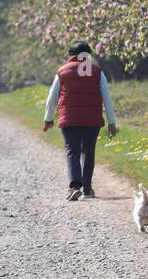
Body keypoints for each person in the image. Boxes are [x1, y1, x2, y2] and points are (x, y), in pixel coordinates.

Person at [42, 41, 118, 201]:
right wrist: (112, 122)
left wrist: (48, 118)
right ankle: (88, 189)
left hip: (69, 120)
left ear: (71, 55)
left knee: (72, 150)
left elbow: (51, 98)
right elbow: (107, 98)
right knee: (89, 152)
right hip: (92, 121)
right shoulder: (97, 72)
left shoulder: (62, 72)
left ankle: (75, 187)